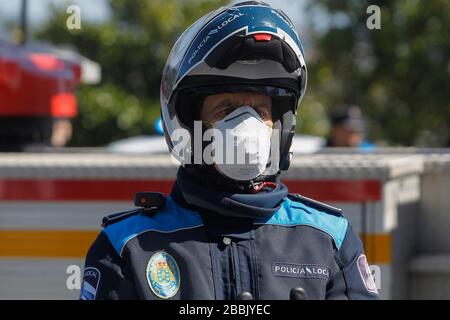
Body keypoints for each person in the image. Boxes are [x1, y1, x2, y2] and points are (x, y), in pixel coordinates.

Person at [80, 1, 379, 300]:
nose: (246, 124)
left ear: (280, 126)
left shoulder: (330, 240)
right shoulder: (128, 246)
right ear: (188, 123)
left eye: (260, 109)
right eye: (227, 109)